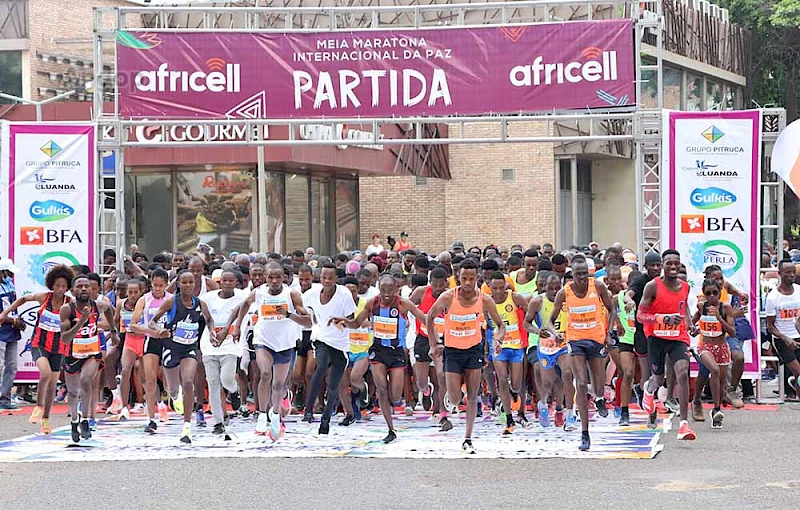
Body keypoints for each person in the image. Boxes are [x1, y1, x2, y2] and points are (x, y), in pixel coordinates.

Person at [332, 274, 427, 443]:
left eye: (390, 290)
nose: (387, 294)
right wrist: (344, 321)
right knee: (382, 389)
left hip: (397, 351)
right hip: (378, 351)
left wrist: (439, 324)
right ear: (379, 289)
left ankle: (391, 402)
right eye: (383, 290)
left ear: (396, 289)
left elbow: (423, 317)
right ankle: (390, 428)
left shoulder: (403, 303)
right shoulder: (373, 303)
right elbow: (356, 323)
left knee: (395, 396)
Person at [426, 258, 506, 454]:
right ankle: (454, 395)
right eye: (464, 278)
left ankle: (468, 438)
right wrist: (433, 344)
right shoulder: (448, 297)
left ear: (477, 278)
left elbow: (501, 325)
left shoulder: (484, 299)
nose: (468, 283)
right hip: (452, 351)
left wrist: (498, 340)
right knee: (454, 399)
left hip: (474, 350)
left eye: (472, 278)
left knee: (472, 395)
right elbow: (429, 316)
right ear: (457, 278)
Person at [546, 255, 618, 451]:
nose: (582, 278)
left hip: (596, 339)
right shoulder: (564, 293)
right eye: (578, 275)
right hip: (575, 340)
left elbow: (612, 310)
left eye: (585, 274)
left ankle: (600, 397)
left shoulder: (599, 287)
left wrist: (609, 331)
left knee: (597, 384)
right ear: (572, 275)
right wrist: (556, 334)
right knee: (581, 381)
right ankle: (584, 433)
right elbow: (550, 321)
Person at [231, 263, 310, 440]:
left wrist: (289, 315)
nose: (274, 281)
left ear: (284, 278)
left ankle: (275, 415)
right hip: (263, 340)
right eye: (270, 277)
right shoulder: (259, 293)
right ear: (266, 278)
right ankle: (261, 414)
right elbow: (244, 305)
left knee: (278, 385)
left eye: (278, 277)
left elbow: (308, 321)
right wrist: (237, 326)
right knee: (265, 373)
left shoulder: (291, 294)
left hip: (285, 344)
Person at [0, 265, 73, 430]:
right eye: (57, 285)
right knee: (45, 374)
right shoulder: (44, 298)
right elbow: (24, 299)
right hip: (39, 343)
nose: (60, 289)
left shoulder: (69, 304)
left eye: (63, 286)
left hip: (59, 347)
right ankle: (38, 407)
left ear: (68, 287)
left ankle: (46, 419)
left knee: (53, 384)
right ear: (51, 285)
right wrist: (6, 312)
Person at [637, 249, 698, 441]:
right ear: (663, 266)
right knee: (658, 378)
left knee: (682, 371)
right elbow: (640, 316)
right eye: (669, 263)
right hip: (656, 337)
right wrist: (662, 318)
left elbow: (683, 306)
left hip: (678, 337)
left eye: (676, 263)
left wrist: (689, 323)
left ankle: (684, 425)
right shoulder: (651, 287)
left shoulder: (686, 287)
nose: (673, 266)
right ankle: (648, 391)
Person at [148, 271, 215, 444]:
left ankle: (186, 427)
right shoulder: (172, 302)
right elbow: (152, 321)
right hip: (171, 347)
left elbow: (209, 320)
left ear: (195, 284)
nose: (187, 285)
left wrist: (212, 332)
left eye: (190, 282)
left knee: (188, 381)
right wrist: (159, 331)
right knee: (173, 390)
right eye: (184, 282)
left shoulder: (200, 303)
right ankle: (174, 397)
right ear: (178, 284)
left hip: (189, 348)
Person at [60, 276, 119, 443]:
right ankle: (74, 421)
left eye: (87, 286)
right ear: (72, 291)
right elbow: (64, 338)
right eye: (80, 286)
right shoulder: (67, 310)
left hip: (92, 351)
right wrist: (80, 323)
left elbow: (109, 309)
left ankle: (85, 420)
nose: (84, 289)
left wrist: (113, 331)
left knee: (86, 381)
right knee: (73, 392)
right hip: (73, 353)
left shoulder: (97, 305)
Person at [302, 263, 357, 434]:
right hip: (322, 338)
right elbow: (306, 312)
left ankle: (326, 420)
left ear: (336, 279)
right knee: (321, 367)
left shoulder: (344, 294)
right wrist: (313, 319)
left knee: (334, 385)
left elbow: (352, 319)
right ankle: (308, 410)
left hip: (340, 344)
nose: (326, 281)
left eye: (330, 278)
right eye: (323, 278)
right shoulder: (310, 295)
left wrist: (339, 320)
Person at [200, 269, 247, 435]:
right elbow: (206, 318)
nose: (227, 283)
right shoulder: (208, 298)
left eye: (231, 280)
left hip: (230, 346)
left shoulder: (243, 297)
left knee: (226, 379)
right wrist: (213, 332)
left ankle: (234, 392)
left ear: (237, 282)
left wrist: (228, 330)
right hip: (209, 345)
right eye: (224, 280)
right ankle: (218, 422)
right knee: (213, 383)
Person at [524, 272, 571, 429]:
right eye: (550, 288)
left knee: (565, 373)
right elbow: (526, 324)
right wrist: (538, 331)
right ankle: (543, 403)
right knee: (548, 382)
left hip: (563, 344)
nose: (554, 291)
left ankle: (560, 410)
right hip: (545, 345)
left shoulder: (567, 299)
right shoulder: (537, 301)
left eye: (557, 288)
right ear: (544, 287)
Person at [130, 269, 173, 433]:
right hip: (152, 340)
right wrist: (149, 331)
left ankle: (171, 401)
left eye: (161, 286)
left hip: (169, 341)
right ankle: (151, 418)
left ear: (166, 285)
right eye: (155, 285)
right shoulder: (144, 299)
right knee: (149, 378)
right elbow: (133, 324)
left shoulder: (171, 299)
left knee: (170, 378)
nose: (157, 289)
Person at [487, 272, 530, 434]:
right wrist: (486, 348)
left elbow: (529, 314)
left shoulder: (515, 298)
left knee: (517, 384)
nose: (498, 291)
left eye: (501, 287)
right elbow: (486, 326)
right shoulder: (487, 302)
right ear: (489, 287)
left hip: (516, 345)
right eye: (494, 288)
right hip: (498, 346)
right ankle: (509, 417)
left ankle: (515, 398)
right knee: (502, 380)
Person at [410, 266, 450, 430]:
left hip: (442, 341)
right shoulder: (421, 292)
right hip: (423, 339)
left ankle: (442, 413)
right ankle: (425, 391)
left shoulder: (451, 296)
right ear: (430, 283)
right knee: (420, 382)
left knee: (441, 376)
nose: (438, 289)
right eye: (435, 286)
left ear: (446, 283)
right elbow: (406, 305)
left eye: (441, 286)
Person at [692, 279, 735, 429]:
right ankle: (708, 405)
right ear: (704, 293)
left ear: (720, 293)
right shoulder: (701, 306)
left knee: (721, 384)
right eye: (708, 293)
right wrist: (693, 329)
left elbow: (733, 331)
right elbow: (693, 320)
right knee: (714, 371)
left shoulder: (726, 308)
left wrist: (719, 317)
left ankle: (716, 412)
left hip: (722, 347)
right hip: (705, 346)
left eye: (715, 293)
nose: (711, 296)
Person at [338, 277, 372, 426]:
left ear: (358, 290)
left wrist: (369, 323)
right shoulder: (339, 305)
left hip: (363, 348)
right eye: (347, 291)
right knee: (342, 384)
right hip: (344, 348)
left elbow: (377, 322)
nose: (350, 294)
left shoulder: (366, 304)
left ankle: (362, 388)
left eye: (353, 291)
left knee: (355, 377)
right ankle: (349, 414)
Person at [605, 264, 636, 426]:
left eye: (619, 279)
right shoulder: (609, 294)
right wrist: (611, 331)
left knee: (626, 372)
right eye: (613, 279)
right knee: (624, 370)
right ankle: (619, 404)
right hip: (617, 337)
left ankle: (621, 400)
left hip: (631, 336)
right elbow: (611, 313)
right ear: (607, 280)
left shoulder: (628, 295)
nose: (617, 282)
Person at [766, 259, 800, 396]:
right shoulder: (773, 297)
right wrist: (785, 338)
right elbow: (770, 326)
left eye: (793, 272)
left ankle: (794, 388)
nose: (792, 275)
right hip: (781, 338)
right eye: (788, 272)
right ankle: (793, 384)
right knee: (798, 372)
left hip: (797, 334)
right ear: (780, 274)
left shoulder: (798, 290)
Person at [114, 279, 145, 421]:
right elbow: (115, 320)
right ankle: (124, 407)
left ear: (141, 291)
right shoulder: (121, 304)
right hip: (129, 340)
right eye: (130, 292)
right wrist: (117, 332)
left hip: (144, 340)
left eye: (136, 292)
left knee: (146, 375)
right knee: (125, 371)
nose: (133, 295)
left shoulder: (144, 302)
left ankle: (153, 402)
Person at [0, 259, 23, 411]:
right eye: (7, 273)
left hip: (12, 331)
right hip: (1, 331)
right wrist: (13, 320)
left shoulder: (10, 285)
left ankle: (5, 398)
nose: (10, 276)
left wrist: (17, 320)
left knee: (12, 366)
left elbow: (12, 307)